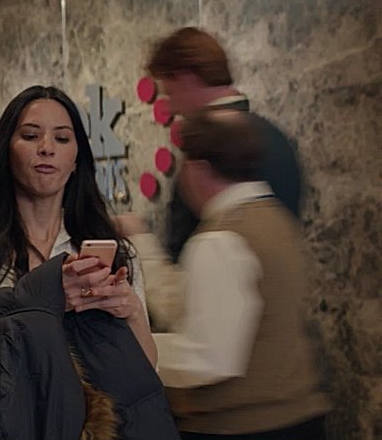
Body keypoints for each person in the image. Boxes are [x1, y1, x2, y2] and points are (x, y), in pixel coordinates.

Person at [0, 86, 174, 439]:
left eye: (62, 138)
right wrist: (44, 295)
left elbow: (144, 371)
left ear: (76, 159)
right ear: (6, 151)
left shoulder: (117, 251)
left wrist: (133, 311)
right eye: (31, 136)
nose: (46, 148)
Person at [120, 109, 329, 439]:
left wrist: (132, 346)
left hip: (244, 426)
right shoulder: (277, 221)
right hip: (298, 419)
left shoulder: (220, 239)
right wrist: (141, 241)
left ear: (198, 170)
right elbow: (188, 305)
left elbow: (206, 357)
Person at [145, 27, 303, 264]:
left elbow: (184, 258)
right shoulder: (278, 138)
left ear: (186, 78)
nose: (172, 108)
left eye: (171, 93)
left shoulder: (207, 150)